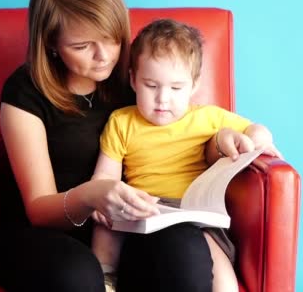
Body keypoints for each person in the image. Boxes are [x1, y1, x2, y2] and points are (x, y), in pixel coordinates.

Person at [0, 0, 237, 292]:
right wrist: (94, 194)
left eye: (111, 38)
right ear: (51, 44)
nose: (103, 56)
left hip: (126, 227)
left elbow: (186, 128)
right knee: (79, 276)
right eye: (82, 46)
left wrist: (220, 141)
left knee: (183, 252)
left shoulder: (137, 75)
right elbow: (38, 209)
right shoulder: (25, 91)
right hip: (47, 234)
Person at [90, 19, 282, 292]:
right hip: (143, 209)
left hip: (196, 213)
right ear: (133, 79)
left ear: (193, 85)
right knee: (105, 221)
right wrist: (104, 196)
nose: (162, 99)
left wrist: (258, 139)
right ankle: (107, 274)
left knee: (222, 276)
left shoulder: (209, 117)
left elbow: (254, 129)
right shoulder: (122, 121)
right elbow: (104, 175)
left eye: (176, 88)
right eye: (151, 86)